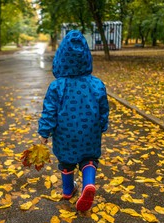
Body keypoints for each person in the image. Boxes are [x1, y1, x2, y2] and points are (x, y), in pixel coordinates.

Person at [38, 30, 110, 211]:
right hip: (90, 132)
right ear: (86, 57)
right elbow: (103, 108)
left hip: (65, 134)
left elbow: (50, 111)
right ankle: (88, 184)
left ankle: (68, 190)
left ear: (61, 58)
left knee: (66, 161)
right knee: (89, 159)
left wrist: (44, 132)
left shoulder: (57, 86)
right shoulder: (97, 84)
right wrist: (102, 126)